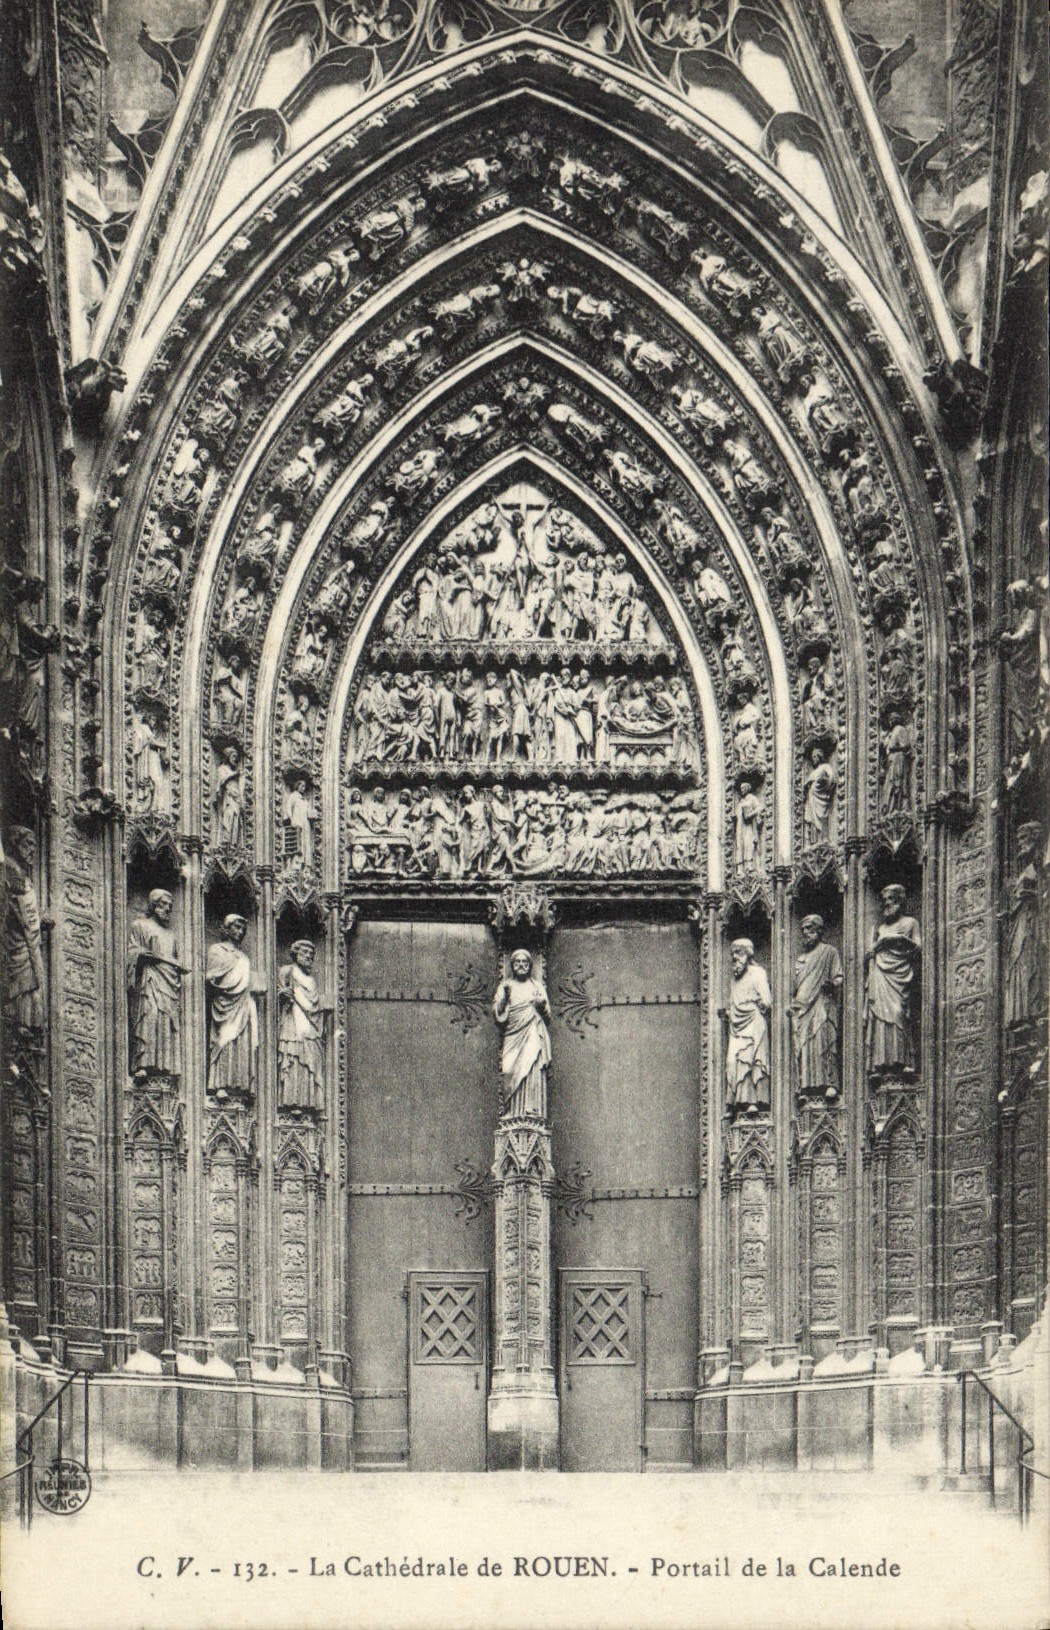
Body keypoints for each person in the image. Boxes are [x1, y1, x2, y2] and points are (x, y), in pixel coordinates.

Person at [126, 888, 185, 1082]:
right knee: (149, 1015)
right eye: (163, 905)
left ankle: (165, 1065)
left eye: (170, 906)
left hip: (168, 984)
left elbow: (174, 960)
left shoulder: (171, 936)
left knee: (166, 1021)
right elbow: (131, 951)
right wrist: (141, 954)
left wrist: (178, 969)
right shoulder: (140, 926)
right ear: (153, 905)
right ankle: (142, 1063)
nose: (168, 909)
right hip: (150, 978)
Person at [864, 885, 921, 1076]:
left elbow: (917, 947)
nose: (886, 904)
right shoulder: (880, 928)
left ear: (900, 901)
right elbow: (870, 953)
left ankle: (904, 1059)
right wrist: (872, 951)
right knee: (880, 1018)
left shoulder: (910, 923)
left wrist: (890, 940)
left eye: (891, 899)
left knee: (898, 1013)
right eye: (884, 900)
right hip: (881, 973)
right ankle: (880, 1063)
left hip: (900, 975)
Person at [493, 948, 552, 1120]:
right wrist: (505, 998)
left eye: (524, 963)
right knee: (509, 1069)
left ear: (529, 965)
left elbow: (548, 1016)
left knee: (531, 1066)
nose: (521, 965)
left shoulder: (536, 986)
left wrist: (541, 1006)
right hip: (513, 1035)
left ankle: (531, 1109)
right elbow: (497, 1014)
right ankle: (511, 1111)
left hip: (532, 1031)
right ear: (512, 965)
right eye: (517, 962)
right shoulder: (506, 986)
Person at [789, 915, 843, 1099]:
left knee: (823, 1040)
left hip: (821, 1002)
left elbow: (838, 978)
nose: (805, 933)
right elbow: (795, 988)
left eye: (809, 928)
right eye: (803, 929)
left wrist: (831, 984)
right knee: (805, 1046)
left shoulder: (829, 952)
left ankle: (830, 1083)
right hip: (802, 1009)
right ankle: (805, 1086)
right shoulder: (801, 959)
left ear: (819, 930)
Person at [206, 914, 259, 1101]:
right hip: (225, 1004)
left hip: (243, 1005)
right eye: (237, 927)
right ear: (227, 928)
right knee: (225, 1041)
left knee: (241, 1043)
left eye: (243, 929)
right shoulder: (217, 950)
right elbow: (212, 975)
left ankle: (240, 1085)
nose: (241, 932)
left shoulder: (244, 957)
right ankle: (219, 1084)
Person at [277, 940, 326, 1113]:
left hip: (309, 1027)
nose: (309, 959)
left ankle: (307, 1102)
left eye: (311, 956)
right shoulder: (286, 972)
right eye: (305, 954)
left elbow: (315, 1006)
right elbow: (276, 995)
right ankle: (293, 1102)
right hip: (292, 1022)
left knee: (309, 1061)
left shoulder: (311, 981)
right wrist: (282, 994)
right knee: (294, 1059)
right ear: (296, 954)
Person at [5, 826, 45, 1030]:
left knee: (31, 981)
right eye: (27, 844)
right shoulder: (8, 870)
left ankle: (27, 1025)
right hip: (16, 940)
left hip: (29, 939)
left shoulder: (25, 878)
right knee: (20, 980)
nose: (32, 851)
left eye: (34, 846)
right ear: (14, 844)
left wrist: (39, 923)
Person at [725, 939, 771, 1114]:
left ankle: (755, 1101)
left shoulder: (758, 973)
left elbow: (766, 1000)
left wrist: (760, 1005)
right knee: (733, 1061)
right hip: (737, 1025)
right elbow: (733, 1002)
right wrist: (729, 1013)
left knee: (752, 1060)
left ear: (747, 953)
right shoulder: (734, 979)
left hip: (753, 1022)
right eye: (732, 954)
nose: (734, 957)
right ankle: (736, 1100)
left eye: (737, 952)